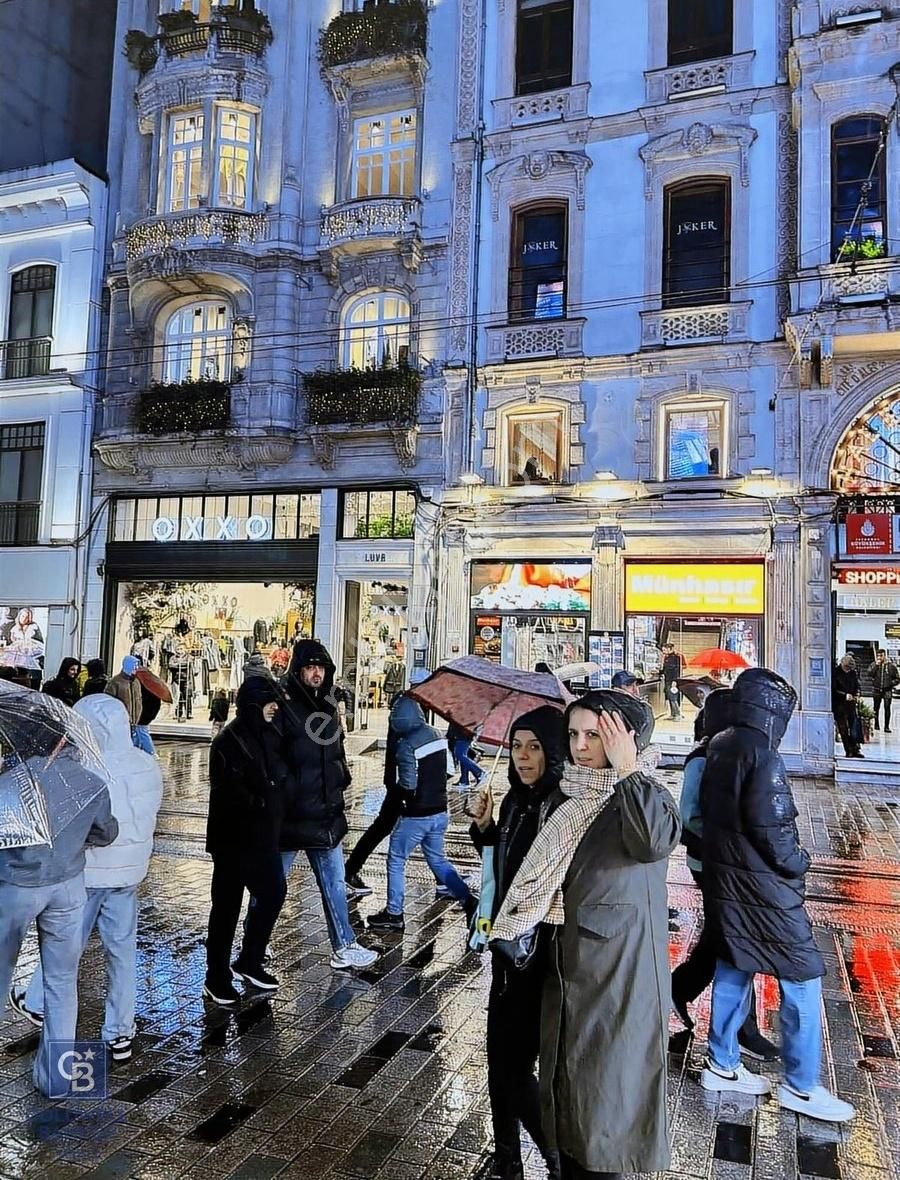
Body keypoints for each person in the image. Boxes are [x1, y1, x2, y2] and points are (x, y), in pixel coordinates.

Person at [490, 689, 680, 1179]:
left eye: (595, 735)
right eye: (574, 734)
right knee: (570, 1103)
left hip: (615, 980)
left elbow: (654, 840)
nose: (580, 745)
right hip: (564, 970)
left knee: (603, 1115)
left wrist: (628, 769)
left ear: (627, 740)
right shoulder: (568, 795)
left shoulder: (644, 794)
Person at [700, 668, 855, 1124]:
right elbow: (775, 829)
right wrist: (798, 863)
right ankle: (802, 1085)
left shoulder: (721, 744)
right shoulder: (763, 754)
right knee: (803, 979)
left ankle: (722, 1063)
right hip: (764, 887)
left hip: (728, 880)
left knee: (735, 965)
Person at [13, 695, 163, 1062]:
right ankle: (120, 1032)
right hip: (129, 874)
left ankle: (37, 1001)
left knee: (67, 944)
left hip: (89, 872)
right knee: (122, 951)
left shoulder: (86, 769)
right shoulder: (146, 764)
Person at [469, 706, 567, 1180]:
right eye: (517, 747)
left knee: (513, 1063)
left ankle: (555, 1155)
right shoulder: (515, 801)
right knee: (497, 1054)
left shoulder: (560, 807)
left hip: (539, 951)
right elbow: (501, 866)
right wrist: (486, 827)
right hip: (506, 946)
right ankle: (506, 1153)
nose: (524, 758)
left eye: (535, 747)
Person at [0, 726, 118, 1096]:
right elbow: (107, 832)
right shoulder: (90, 781)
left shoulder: (13, 779)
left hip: (17, 885)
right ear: (65, 742)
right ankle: (57, 1080)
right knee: (62, 981)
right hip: (68, 885)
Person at [670, 689, 778, 1060]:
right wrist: (728, 841)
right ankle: (738, 1025)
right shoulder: (701, 758)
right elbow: (690, 815)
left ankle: (680, 991)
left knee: (722, 939)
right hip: (709, 864)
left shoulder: (729, 753)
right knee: (731, 941)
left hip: (729, 863)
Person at [278, 640, 378, 970]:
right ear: (299, 670)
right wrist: (286, 792)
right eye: (310, 667)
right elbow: (273, 757)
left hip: (325, 814)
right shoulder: (285, 705)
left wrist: (342, 782)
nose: (316, 672)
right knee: (272, 888)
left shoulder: (330, 707)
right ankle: (253, 947)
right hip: (292, 816)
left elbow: (336, 753)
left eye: (321, 667)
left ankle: (344, 944)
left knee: (335, 884)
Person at [204, 678, 289, 1005]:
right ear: (254, 702)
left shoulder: (269, 734)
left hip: (262, 837)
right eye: (269, 700)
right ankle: (216, 977)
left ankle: (250, 960)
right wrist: (261, 799)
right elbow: (229, 791)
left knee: (273, 891)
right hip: (232, 839)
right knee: (226, 907)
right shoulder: (229, 740)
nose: (275, 706)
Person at [369, 696, 474, 932]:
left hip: (417, 815)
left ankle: (394, 913)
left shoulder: (406, 745)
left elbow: (407, 784)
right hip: (440, 810)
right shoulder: (438, 735)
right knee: (437, 859)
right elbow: (449, 771)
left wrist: (406, 797)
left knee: (396, 858)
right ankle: (468, 899)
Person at [105, 656, 146, 751]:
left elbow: (139, 700)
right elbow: (108, 702)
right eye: (134, 666)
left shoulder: (136, 682)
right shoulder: (115, 682)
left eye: (137, 666)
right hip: (120, 723)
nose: (136, 668)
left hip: (134, 723)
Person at [832, 654, 862, 758]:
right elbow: (833, 689)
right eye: (847, 668)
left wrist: (857, 693)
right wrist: (845, 695)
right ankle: (848, 749)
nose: (849, 670)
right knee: (843, 728)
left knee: (854, 727)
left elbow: (857, 685)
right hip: (839, 704)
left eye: (850, 668)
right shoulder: (835, 673)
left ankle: (855, 749)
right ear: (843, 665)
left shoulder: (852, 673)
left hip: (851, 704)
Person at [867, 649, 898, 733]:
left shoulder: (891, 666)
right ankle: (876, 724)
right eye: (878, 656)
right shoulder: (873, 665)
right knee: (876, 708)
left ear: (885, 656)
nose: (879, 658)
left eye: (881, 656)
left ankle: (886, 726)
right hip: (877, 689)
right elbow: (869, 673)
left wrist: (891, 683)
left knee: (887, 708)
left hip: (887, 690)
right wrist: (876, 666)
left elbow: (897, 678)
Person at [448, 719, 483, 787]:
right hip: (462, 733)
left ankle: (479, 773)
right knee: (462, 755)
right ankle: (464, 780)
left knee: (460, 755)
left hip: (463, 734)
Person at [661, 642, 684, 720]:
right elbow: (665, 669)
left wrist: (675, 680)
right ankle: (672, 714)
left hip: (673, 681)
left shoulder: (676, 658)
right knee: (669, 698)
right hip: (667, 680)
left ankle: (677, 714)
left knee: (673, 697)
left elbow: (677, 670)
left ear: (669, 649)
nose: (663, 652)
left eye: (664, 650)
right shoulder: (667, 658)